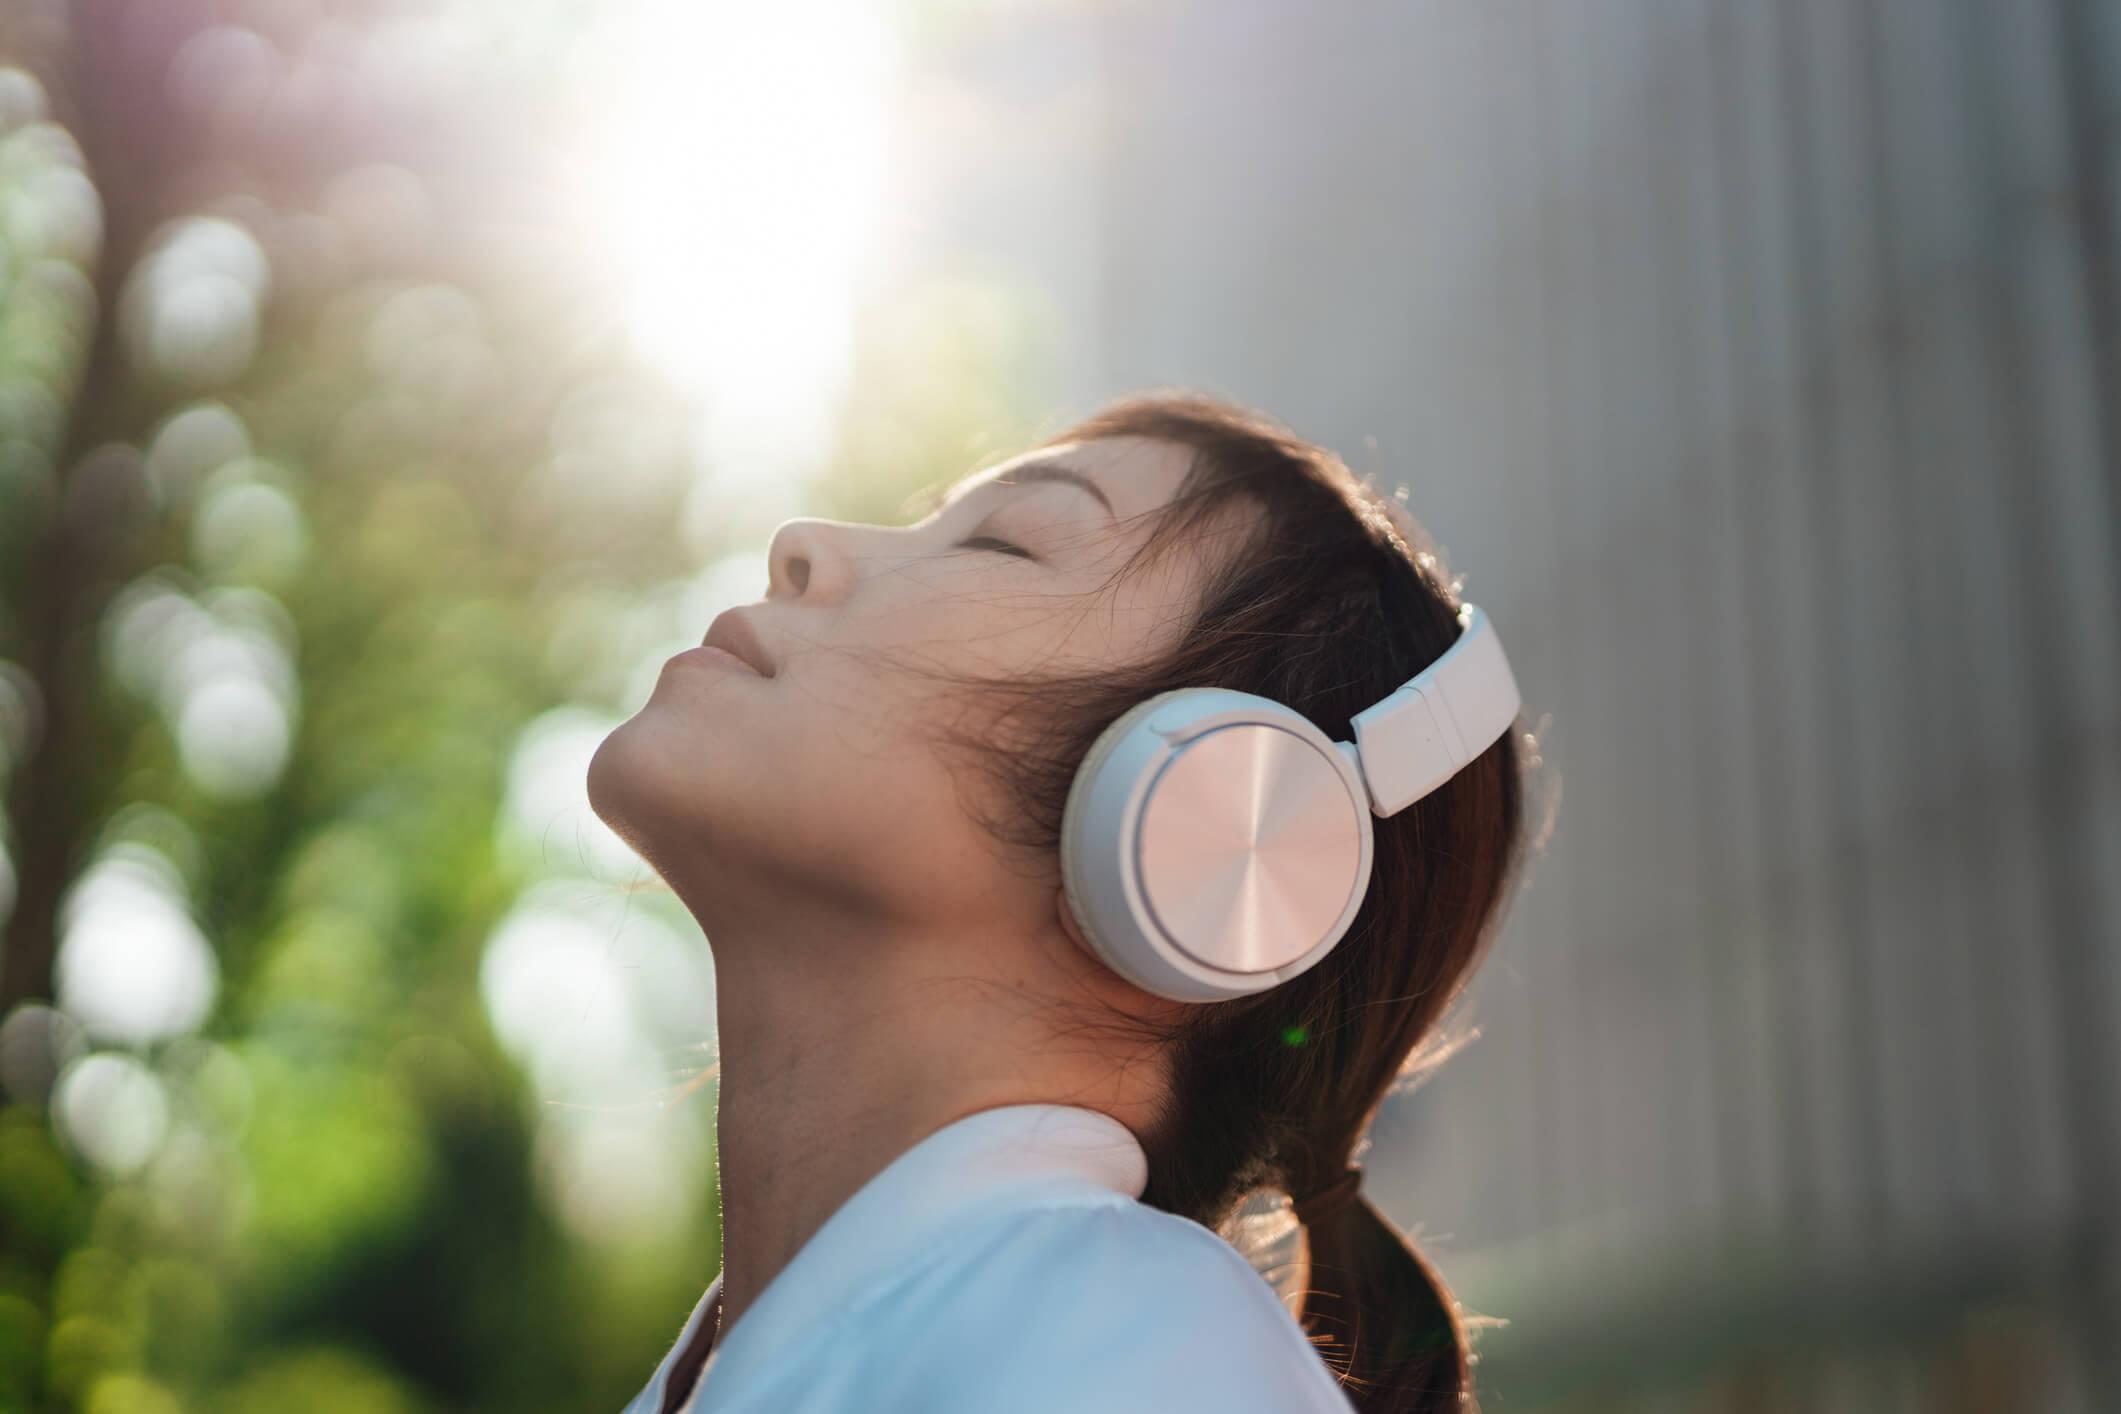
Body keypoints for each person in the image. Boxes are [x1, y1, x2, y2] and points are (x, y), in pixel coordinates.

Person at [589, 391, 1540, 1413]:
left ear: (1211, 820)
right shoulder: (1078, 1340)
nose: (803, 544)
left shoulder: (1145, 1355)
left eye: (1001, 543)